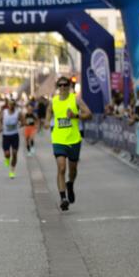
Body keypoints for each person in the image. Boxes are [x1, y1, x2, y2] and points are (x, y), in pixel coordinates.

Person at [47, 76, 92, 211]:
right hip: (58, 139)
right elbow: (49, 111)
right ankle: (63, 198)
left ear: (69, 86)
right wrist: (46, 121)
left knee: (72, 170)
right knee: (61, 168)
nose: (62, 87)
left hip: (74, 140)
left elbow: (89, 114)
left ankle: (70, 184)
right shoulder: (53, 101)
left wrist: (75, 115)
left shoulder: (75, 99)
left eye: (65, 85)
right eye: (60, 85)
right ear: (57, 87)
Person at [1, 98, 22, 179]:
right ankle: (7, 158)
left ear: (15, 105)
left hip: (14, 135)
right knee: (7, 154)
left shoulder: (18, 113)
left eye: (13, 104)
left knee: (14, 153)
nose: (11, 106)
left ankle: (12, 171)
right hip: (6, 135)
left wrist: (21, 124)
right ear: (8, 105)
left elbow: (23, 121)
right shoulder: (4, 112)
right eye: (10, 104)